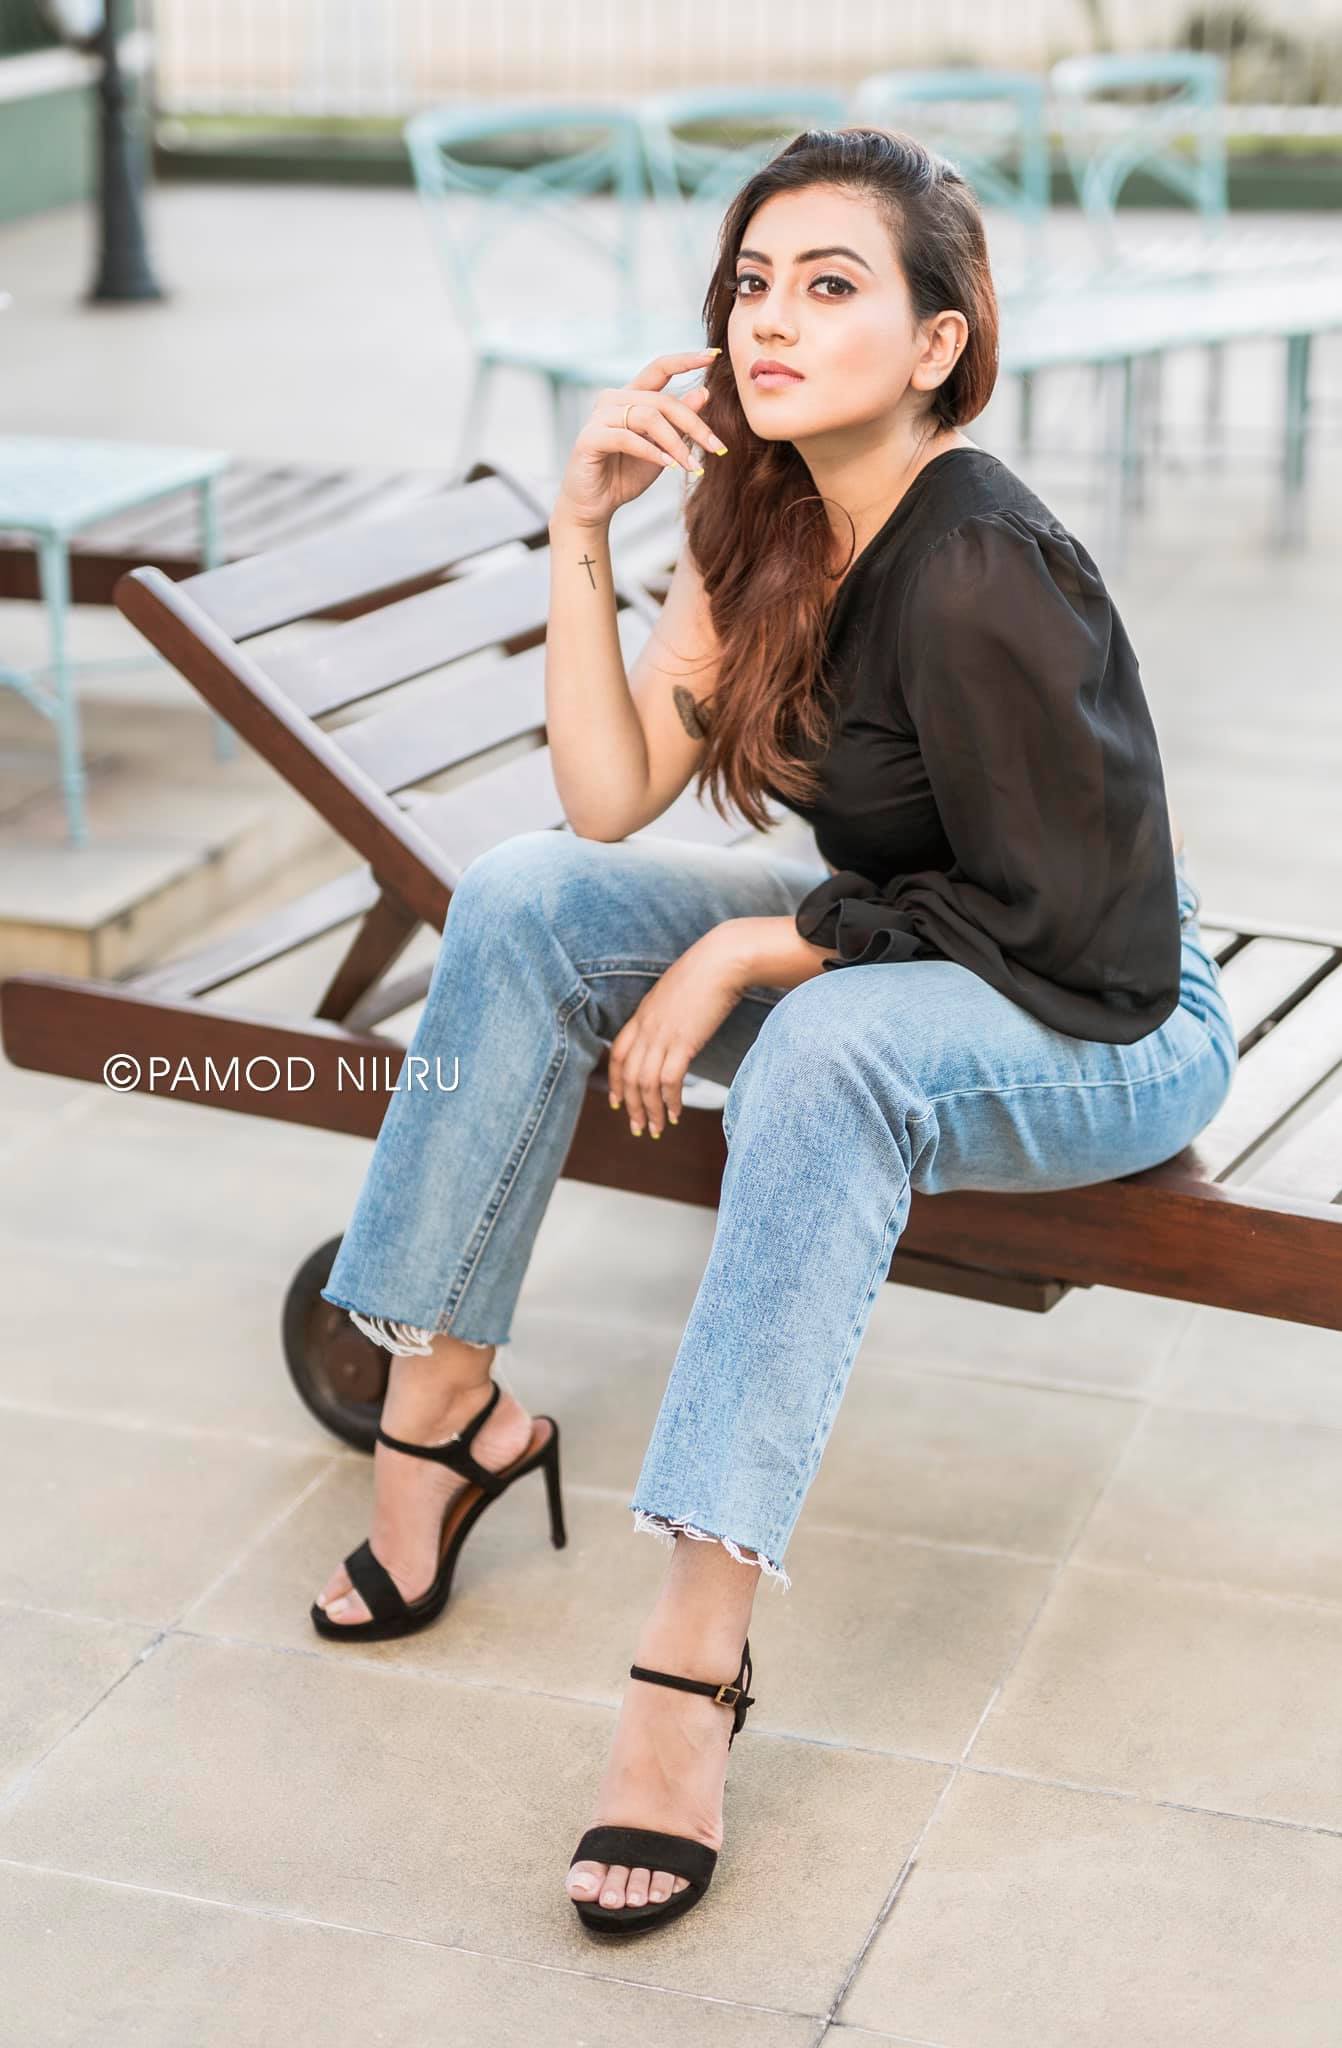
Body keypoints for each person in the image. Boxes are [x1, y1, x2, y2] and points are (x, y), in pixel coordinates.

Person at [311, 126, 1238, 1936]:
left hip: (1108, 1016)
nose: (771, 321)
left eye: (829, 285)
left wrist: (758, 948)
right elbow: (603, 801)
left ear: (937, 342)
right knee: (522, 897)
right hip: (927, 952)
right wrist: (581, 529)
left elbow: (1079, 935)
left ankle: (691, 1659)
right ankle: (441, 1415)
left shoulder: (982, 566)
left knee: (823, 1050)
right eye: (751, 282)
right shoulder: (766, 518)